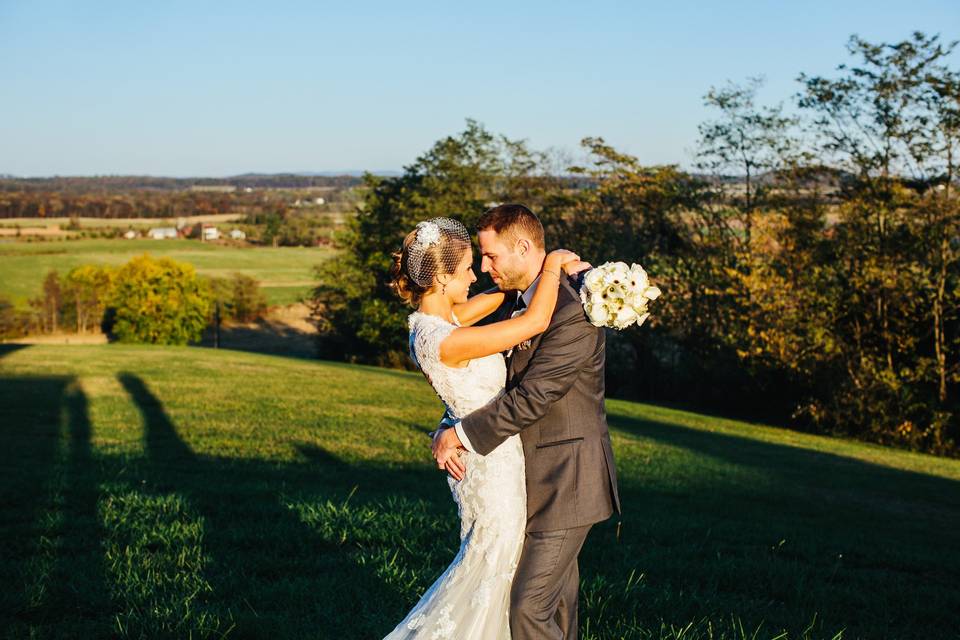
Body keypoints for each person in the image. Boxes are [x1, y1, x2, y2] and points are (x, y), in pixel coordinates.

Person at [383, 215, 586, 639]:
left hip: (490, 455)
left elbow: (497, 297)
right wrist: (550, 265)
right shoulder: (445, 339)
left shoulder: (439, 320)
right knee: (495, 564)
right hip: (491, 470)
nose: (476, 275)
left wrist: (518, 277)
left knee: (502, 568)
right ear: (440, 277)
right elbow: (533, 323)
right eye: (466, 269)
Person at [432, 204, 621, 640]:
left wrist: (460, 436)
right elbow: (486, 381)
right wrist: (449, 421)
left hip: (567, 479)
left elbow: (534, 396)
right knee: (558, 606)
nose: (483, 267)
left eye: (491, 256)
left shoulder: (573, 309)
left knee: (528, 610)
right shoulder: (514, 304)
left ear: (522, 247)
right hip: (527, 481)